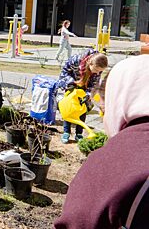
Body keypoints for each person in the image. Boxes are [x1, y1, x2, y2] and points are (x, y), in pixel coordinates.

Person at [54, 56, 149, 229]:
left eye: (103, 111)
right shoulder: (77, 63)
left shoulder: (113, 163)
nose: (104, 119)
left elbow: (79, 221)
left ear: (118, 102)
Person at [57, 49, 108, 143]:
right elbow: (64, 71)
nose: (97, 73)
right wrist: (70, 82)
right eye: (96, 70)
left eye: (100, 71)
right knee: (69, 109)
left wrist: (88, 94)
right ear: (91, 64)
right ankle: (66, 132)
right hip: (71, 86)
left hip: (84, 88)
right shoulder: (76, 60)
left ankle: (79, 133)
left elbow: (94, 83)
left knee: (82, 110)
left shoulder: (97, 71)